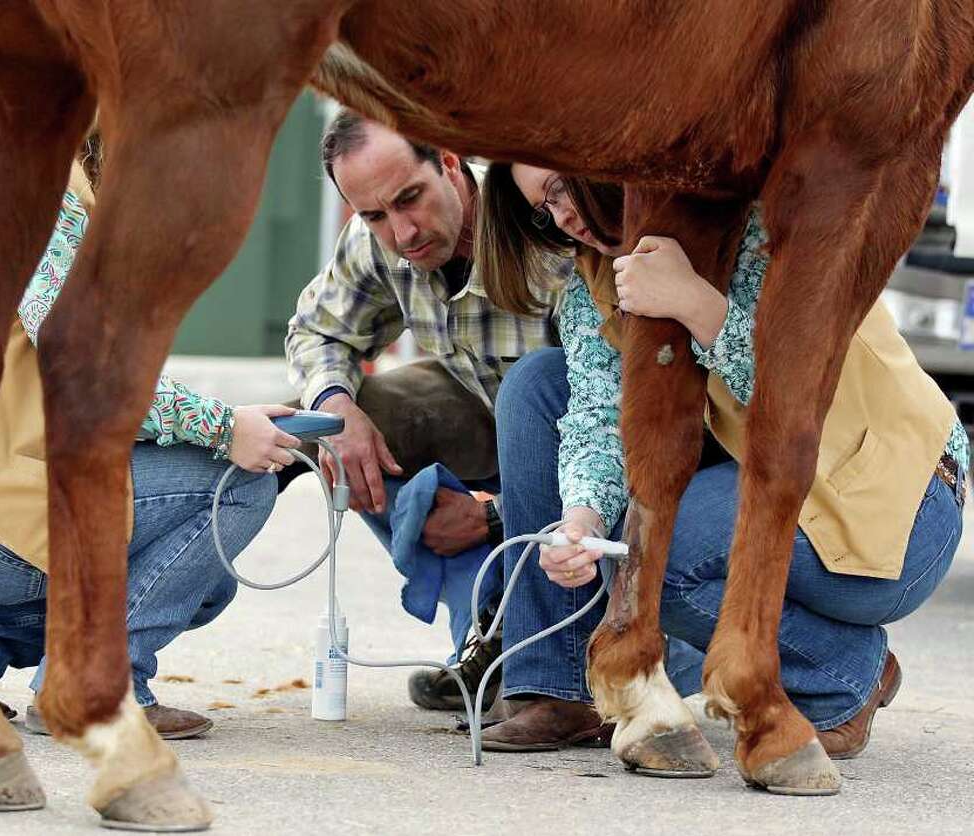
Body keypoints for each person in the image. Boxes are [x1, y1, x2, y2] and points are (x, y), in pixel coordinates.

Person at [474, 161, 967, 756]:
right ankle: (562, 685)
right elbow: (599, 419)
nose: (563, 218)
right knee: (607, 504)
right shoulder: (592, 288)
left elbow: (804, 393)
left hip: (910, 504)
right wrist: (581, 520)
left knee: (662, 559)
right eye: (543, 210)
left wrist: (692, 301)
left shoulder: (768, 227)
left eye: (559, 190)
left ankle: (844, 673)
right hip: (791, 491)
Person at [0, 153, 303, 738]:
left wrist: (225, 424)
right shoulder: (52, 197)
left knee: (210, 581)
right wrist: (224, 430)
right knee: (240, 492)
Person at [284, 110, 572, 711]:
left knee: (531, 386)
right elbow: (316, 332)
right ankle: (490, 625)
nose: (402, 231)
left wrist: (495, 517)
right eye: (375, 215)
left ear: (448, 162)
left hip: (582, 447)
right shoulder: (377, 240)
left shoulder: (545, 230)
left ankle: (570, 639)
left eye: (410, 199)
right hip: (485, 414)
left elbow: (613, 416)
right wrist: (337, 403)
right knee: (324, 424)